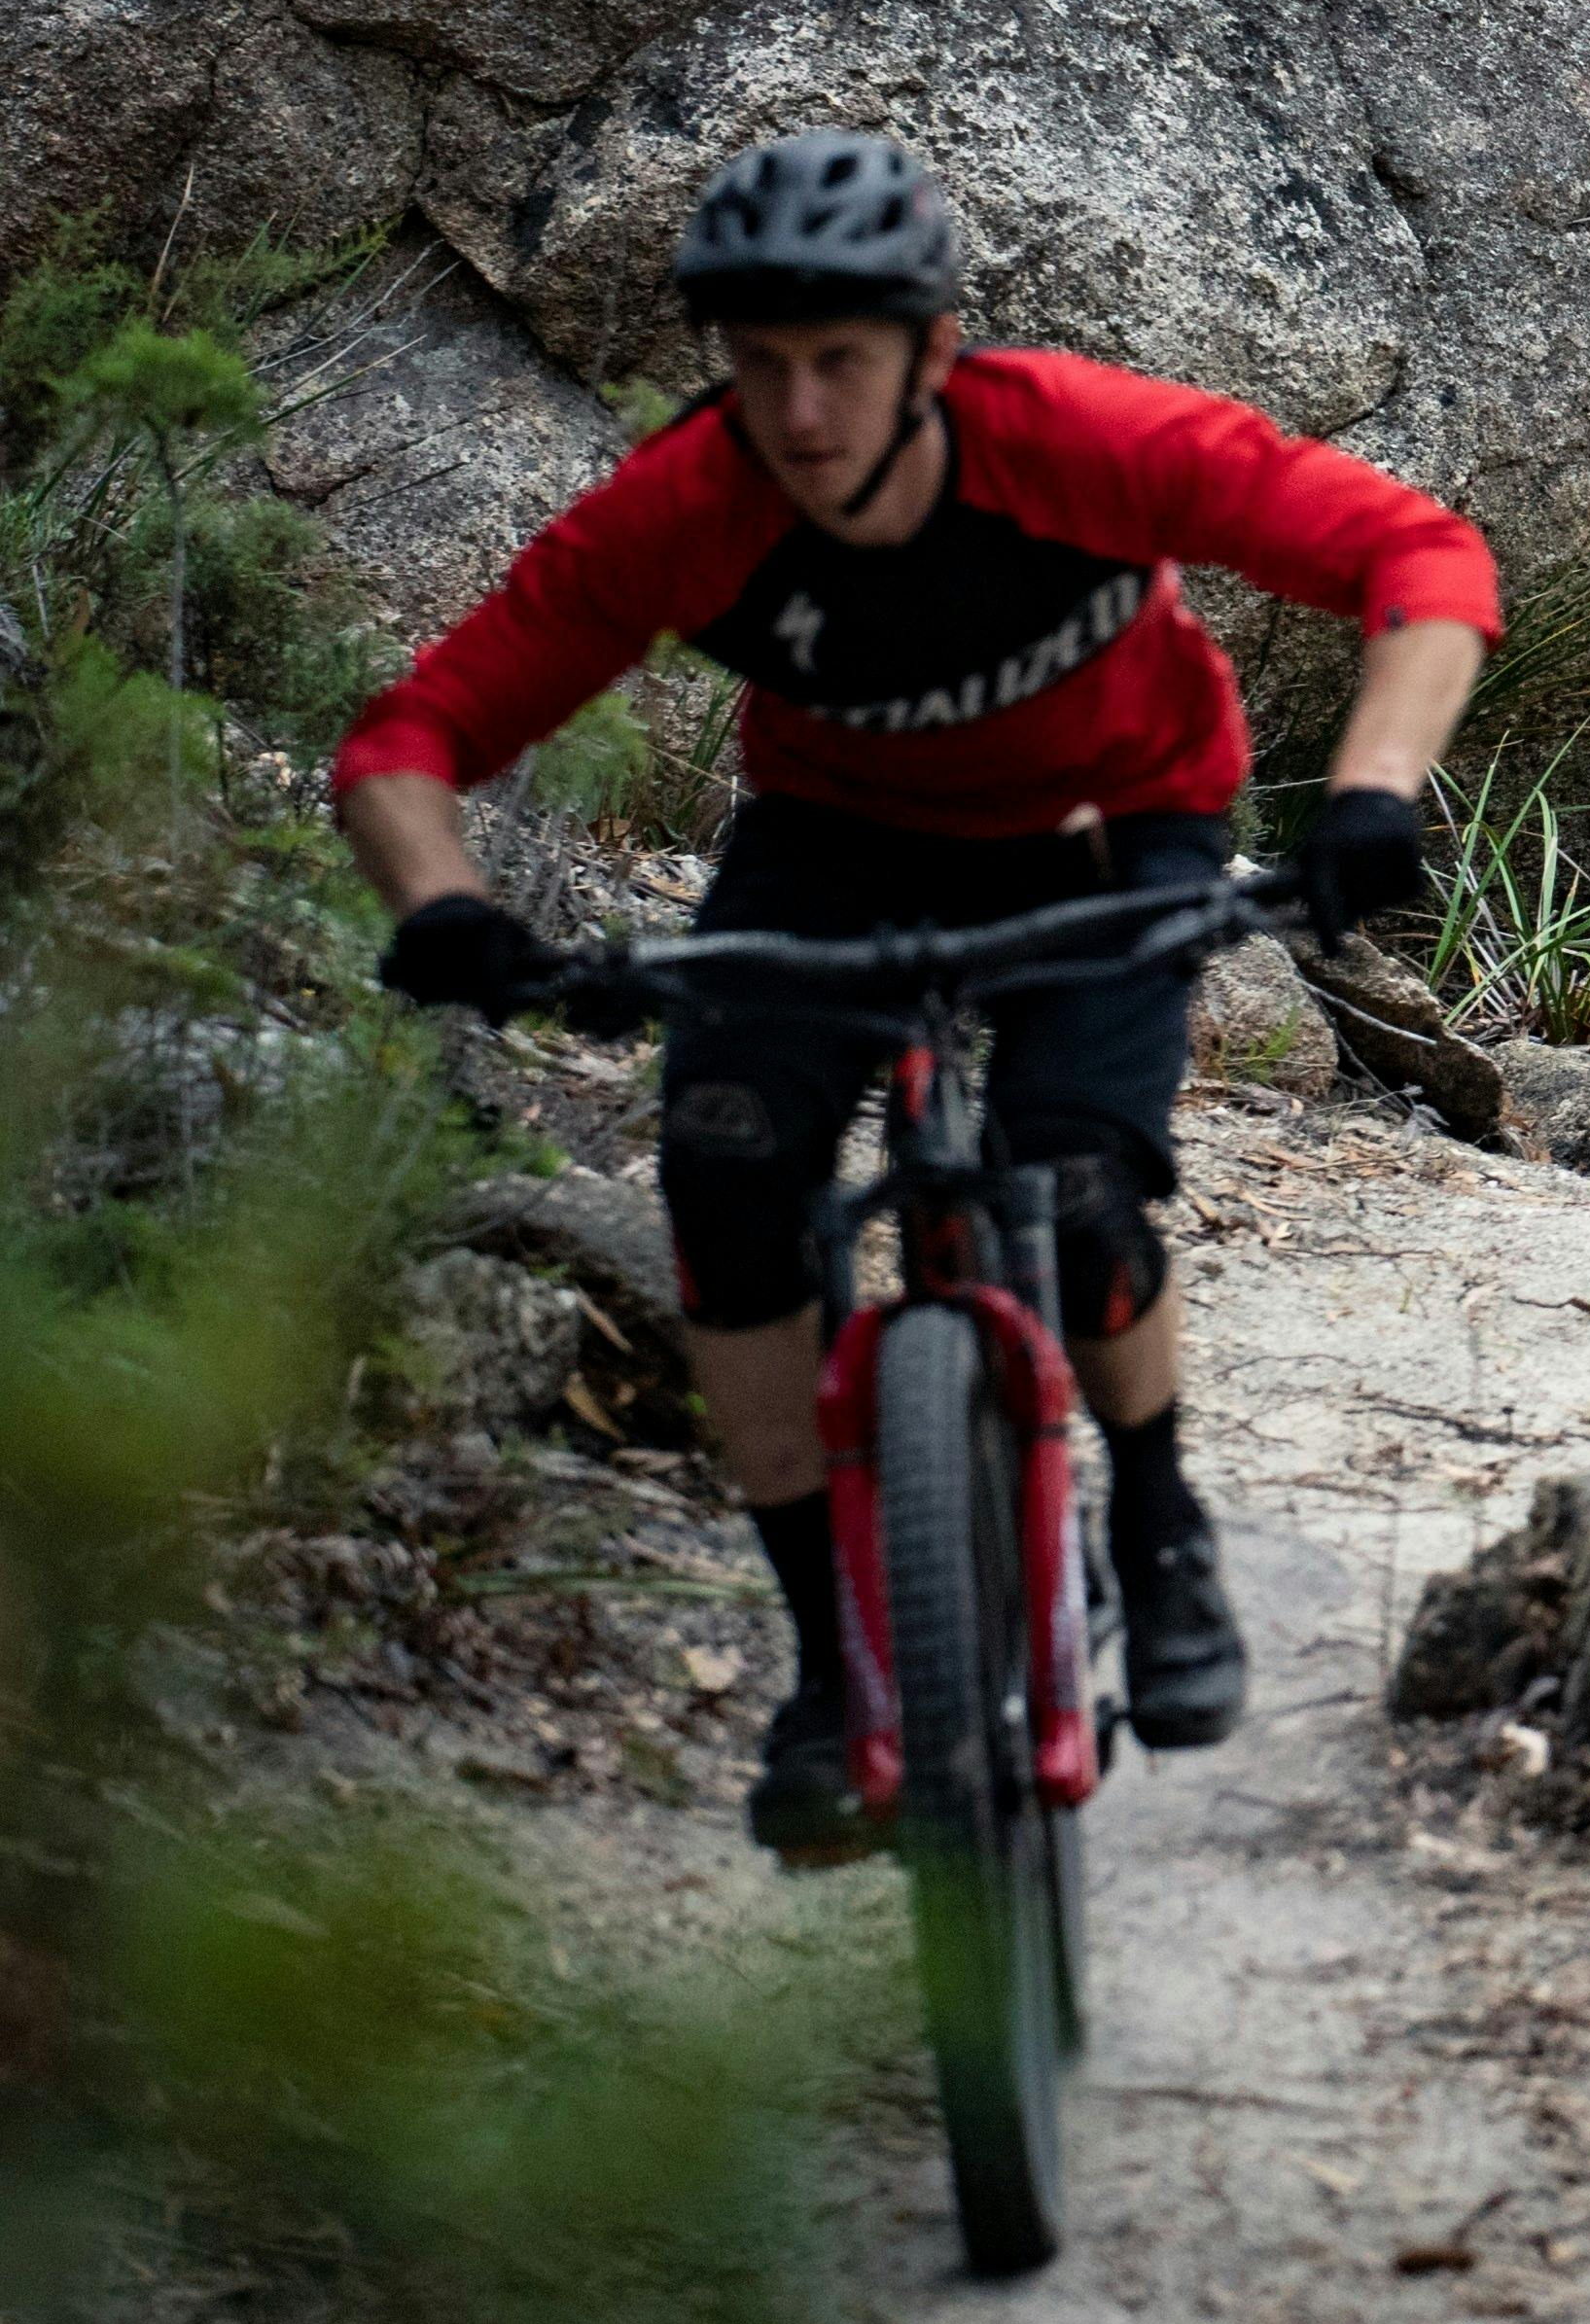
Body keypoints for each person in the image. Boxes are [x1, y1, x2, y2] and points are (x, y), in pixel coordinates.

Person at [329, 133, 1498, 1866]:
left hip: (1115, 830)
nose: (800, 412)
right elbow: (407, 743)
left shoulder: (1082, 444)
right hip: (836, 848)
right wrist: (448, 913)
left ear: (933, 353)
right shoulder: (689, 509)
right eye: (763, 367)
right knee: (726, 1174)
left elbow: (1423, 561)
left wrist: (1373, 796)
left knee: (1084, 1180)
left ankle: (1161, 1530)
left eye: (842, 364)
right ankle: (831, 1664)